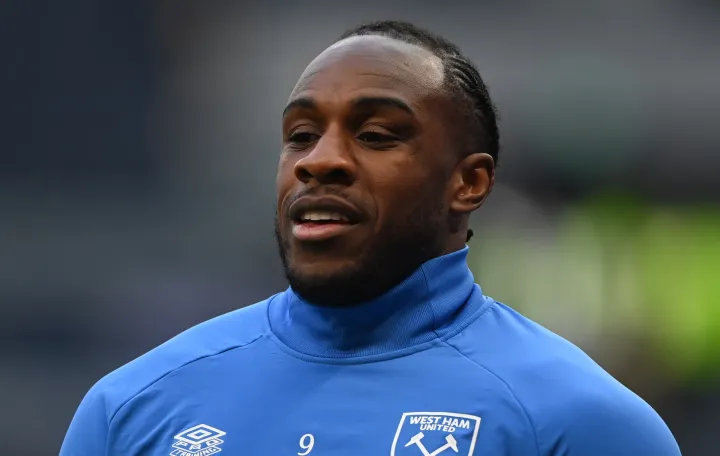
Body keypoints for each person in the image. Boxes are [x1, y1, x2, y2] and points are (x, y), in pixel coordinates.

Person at [60, 20, 681, 456]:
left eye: (378, 135)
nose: (319, 161)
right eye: (301, 136)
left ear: (469, 183)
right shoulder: (132, 408)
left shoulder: (578, 422)